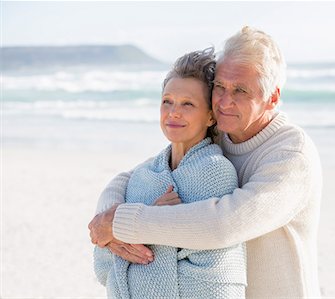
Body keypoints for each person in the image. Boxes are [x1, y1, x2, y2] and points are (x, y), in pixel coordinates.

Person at [89, 26, 322, 298]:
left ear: (272, 98)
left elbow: (225, 224)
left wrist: (123, 224)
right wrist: (107, 216)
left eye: (241, 91)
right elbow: (133, 176)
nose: (224, 101)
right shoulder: (223, 133)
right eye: (220, 87)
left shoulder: (291, 153)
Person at [92, 48, 247, 298]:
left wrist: (136, 230)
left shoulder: (216, 174)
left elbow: (214, 277)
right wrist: (151, 221)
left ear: (210, 116)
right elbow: (103, 264)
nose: (173, 112)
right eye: (167, 101)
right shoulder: (144, 174)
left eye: (187, 104)